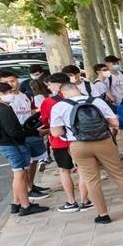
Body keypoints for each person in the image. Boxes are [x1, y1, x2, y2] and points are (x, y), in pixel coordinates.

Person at [49, 81, 123, 224]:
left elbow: (56, 132)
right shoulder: (97, 101)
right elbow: (115, 123)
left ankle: (103, 215)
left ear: (62, 93)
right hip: (104, 142)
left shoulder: (59, 106)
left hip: (78, 145)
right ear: (78, 89)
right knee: (119, 175)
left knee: (91, 180)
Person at [0, 83, 48, 216]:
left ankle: (16, 203)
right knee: (20, 174)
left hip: (3, 144)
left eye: (9, 91)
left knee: (18, 174)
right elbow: (14, 132)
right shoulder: (3, 109)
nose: (9, 94)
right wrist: (34, 132)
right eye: (4, 93)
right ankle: (25, 206)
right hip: (12, 144)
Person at [39, 73, 89, 212]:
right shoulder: (82, 96)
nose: (49, 87)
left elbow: (44, 121)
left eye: (49, 84)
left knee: (64, 170)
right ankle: (85, 201)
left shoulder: (49, 102)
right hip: (81, 139)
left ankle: (71, 202)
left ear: (57, 85)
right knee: (83, 170)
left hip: (59, 141)